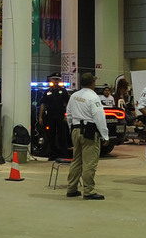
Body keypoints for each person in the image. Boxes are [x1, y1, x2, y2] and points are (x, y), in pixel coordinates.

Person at [65, 72, 109, 200]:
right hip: (89, 131)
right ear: (92, 83)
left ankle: (71, 188)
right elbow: (99, 117)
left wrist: (71, 128)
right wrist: (105, 135)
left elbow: (69, 113)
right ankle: (89, 190)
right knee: (89, 162)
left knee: (76, 160)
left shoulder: (74, 96)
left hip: (75, 129)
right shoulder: (93, 97)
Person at [38, 74, 70, 159]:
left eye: (57, 79)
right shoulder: (47, 92)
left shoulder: (63, 91)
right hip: (50, 116)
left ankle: (64, 154)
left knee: (62, 135)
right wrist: (40, 116)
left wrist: (67, 115)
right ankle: (52, 154)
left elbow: (68, 104)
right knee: (50, 135)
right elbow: (43, 104)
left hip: (61, 116)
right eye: (54, 79)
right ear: (51, 80)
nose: (56, 81)